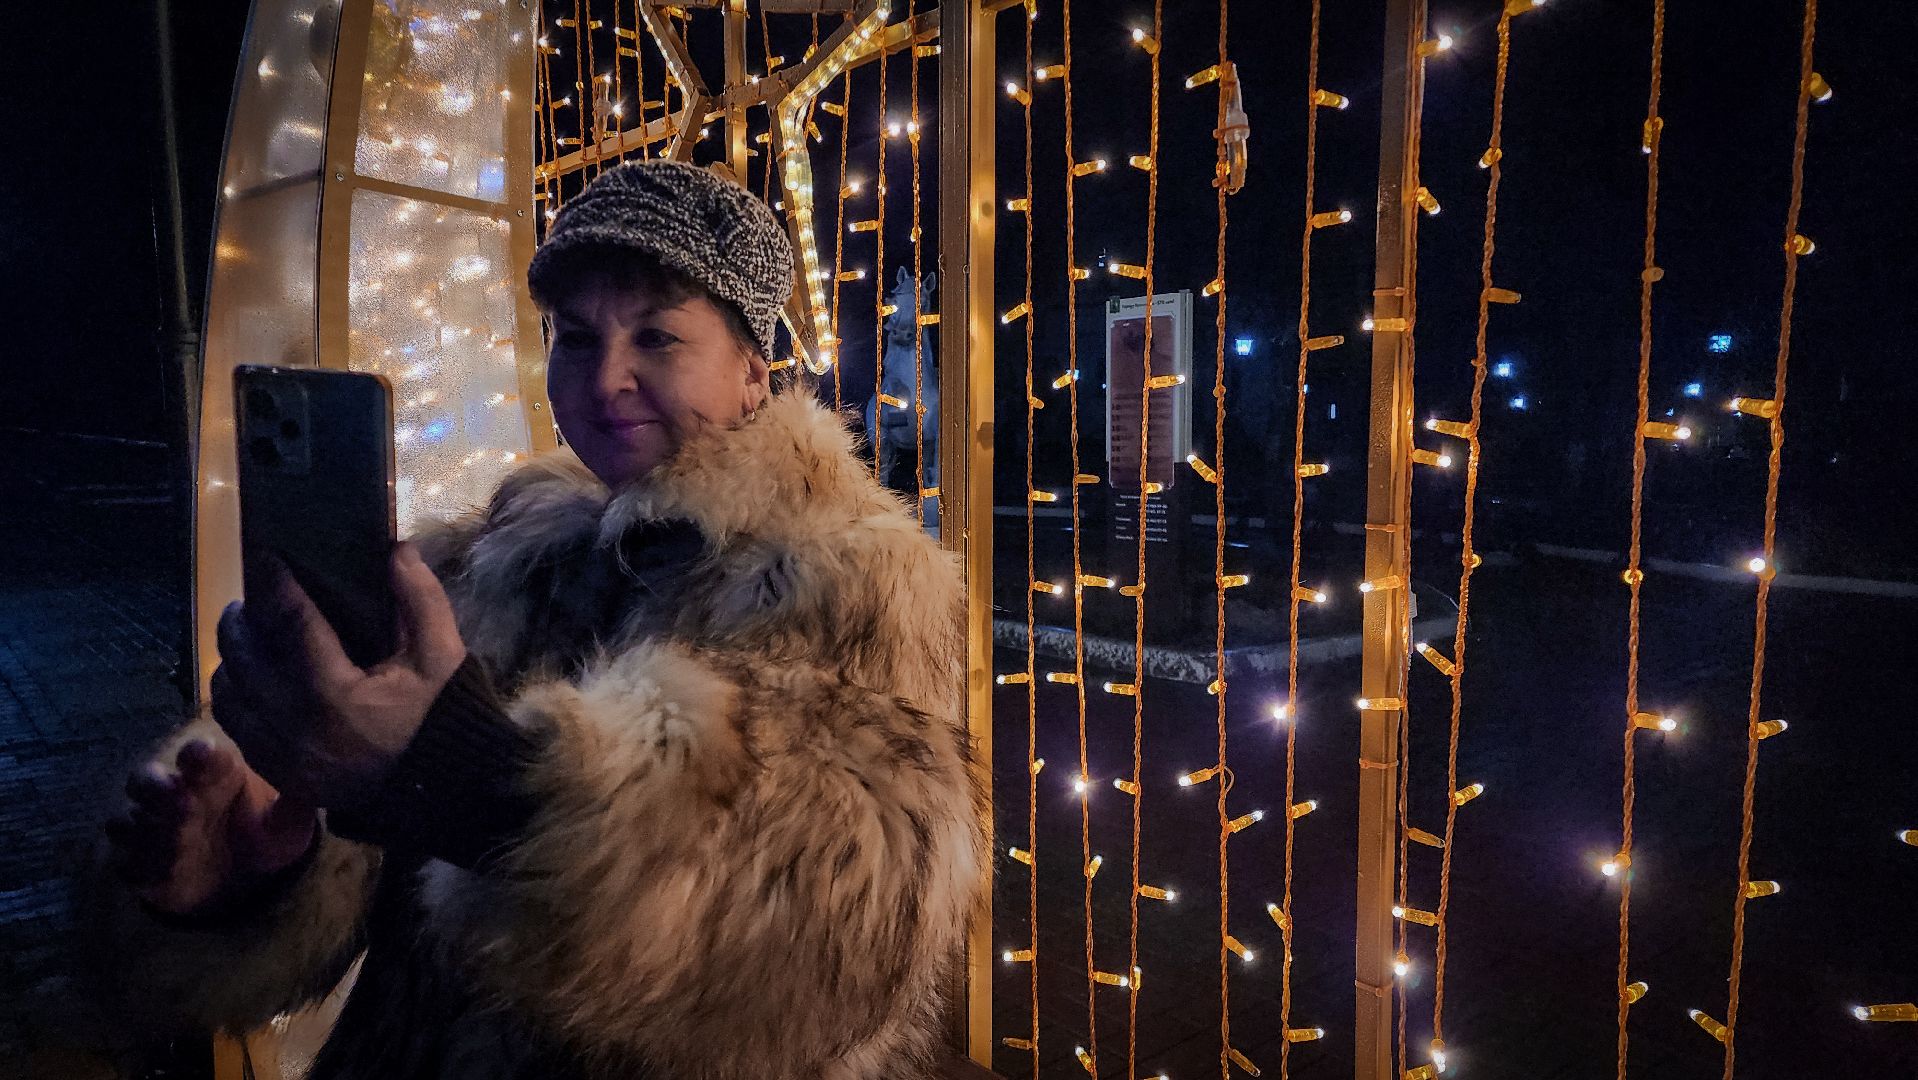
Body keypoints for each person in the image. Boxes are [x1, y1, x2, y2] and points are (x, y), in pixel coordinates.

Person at [85, 160, 986, 1078]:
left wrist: (466, 774)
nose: (608, 379)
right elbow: (393, 887)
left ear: (754, 371)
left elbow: (830, 922)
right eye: (576, 337)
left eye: (659, 337)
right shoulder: (494, 552)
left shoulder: (846, 571)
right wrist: (262, 869)